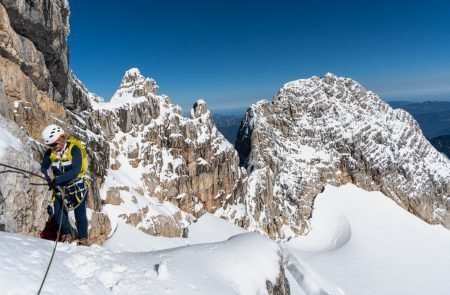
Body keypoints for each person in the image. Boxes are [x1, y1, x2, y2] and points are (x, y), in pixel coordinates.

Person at [40, 124, 90, 246]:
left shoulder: (74, 149)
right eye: (50, 145)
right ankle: (70, 234)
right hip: (60, 188)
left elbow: (75, 170)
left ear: (62, 138)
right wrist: (48, 179)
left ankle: (83, 239)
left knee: (80, 215)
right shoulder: (50, 153)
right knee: (59, 216)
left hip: (76, 187)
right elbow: (43, 167)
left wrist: (57, 180)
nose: (52, 148)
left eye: (54, 144)